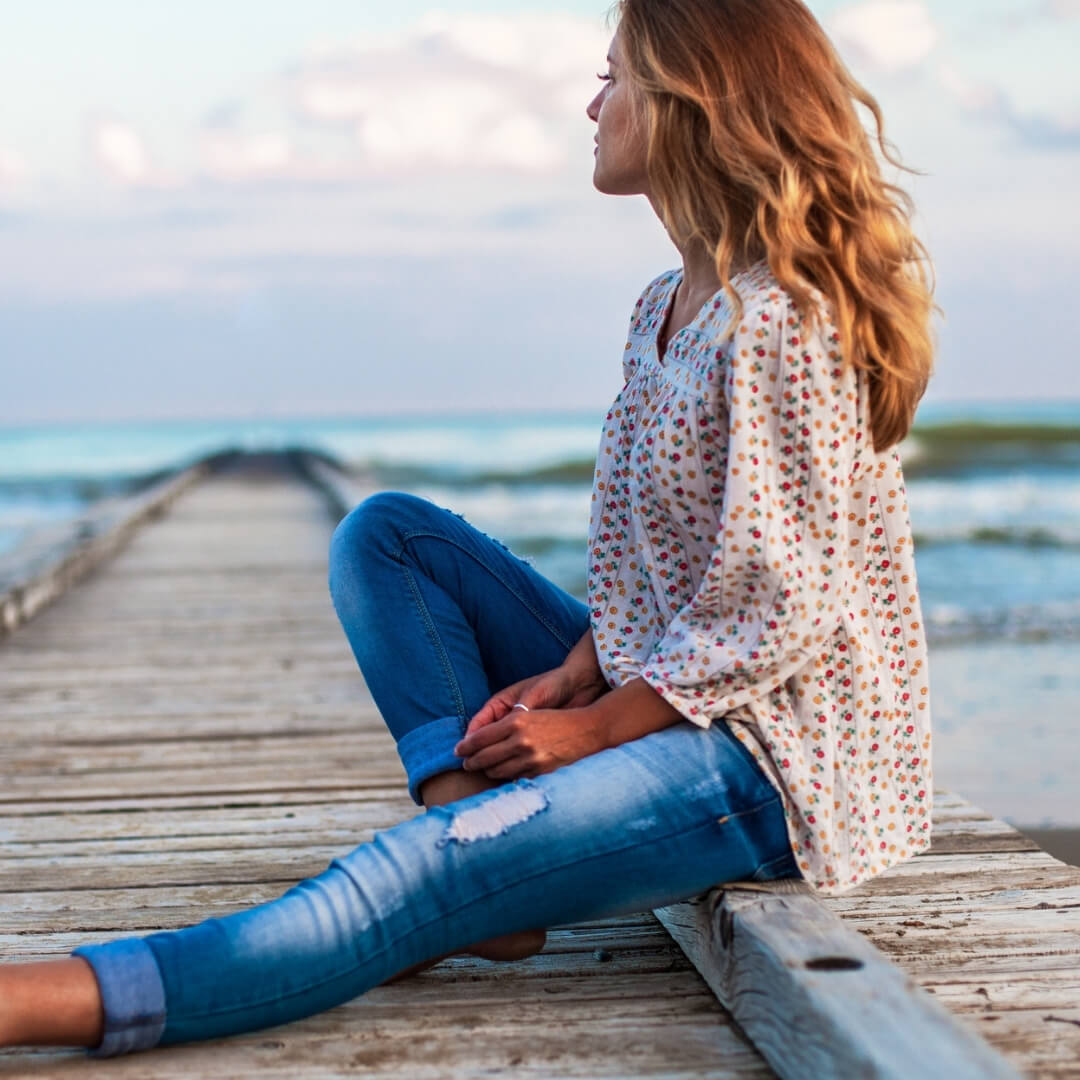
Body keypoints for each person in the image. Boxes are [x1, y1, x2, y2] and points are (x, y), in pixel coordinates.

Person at [0, 0, 935, 1058]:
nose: (593, 104)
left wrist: (592, 731)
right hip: (672, 689)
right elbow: (656, 560)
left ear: (688, 101)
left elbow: (781, 608)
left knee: (409, 878)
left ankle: (45, 1001)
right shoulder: (664, 305)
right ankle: (480, 856)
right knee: (388, 535)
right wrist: (580, 668)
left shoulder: (788, 316)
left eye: (614, 77)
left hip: (770, 760)